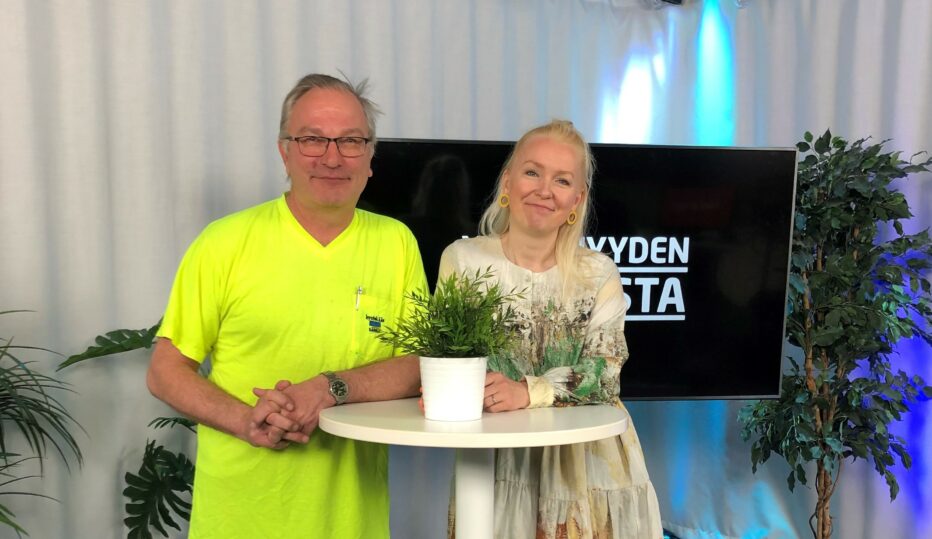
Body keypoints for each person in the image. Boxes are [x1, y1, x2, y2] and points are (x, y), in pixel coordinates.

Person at [146, 73, 427, 538]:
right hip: (240, 516)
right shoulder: (224, 243)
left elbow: (418, 364)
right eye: (313, 139)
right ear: (285, 151)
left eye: (351, 141)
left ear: (370, 156)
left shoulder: (396, 243)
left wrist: (328, 388)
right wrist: (246, 421)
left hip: (352, 521)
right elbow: (165, 370)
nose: (332, 158)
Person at [438, 120, 663, 538]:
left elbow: (605, 375)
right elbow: (448, 358)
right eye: (532, 172)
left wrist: (528, 391)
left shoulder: (598, 273)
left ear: (577, 199)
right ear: (508, 181)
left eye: (562, 180)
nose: (544, 190)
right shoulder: (463, 260)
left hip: (587, 464)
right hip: (497, 458)